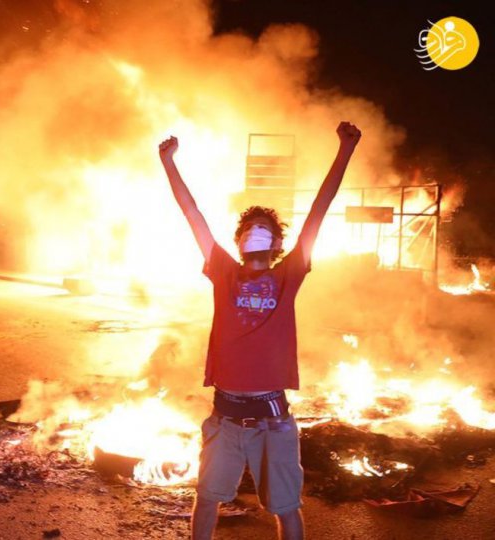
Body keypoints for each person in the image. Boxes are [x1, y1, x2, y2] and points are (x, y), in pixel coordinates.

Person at [158, 122, 362, 540]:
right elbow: (191, 213)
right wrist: (168, 162)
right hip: (226, 419)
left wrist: (345, 150)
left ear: (276, 244)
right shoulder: (223, 272)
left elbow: (319, 210)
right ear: (239, 241)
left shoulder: (289, 274)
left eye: (263, 227)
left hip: (274, 420)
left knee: (286, 508)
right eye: (249, 226)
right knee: (209, 498)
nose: (256, 229)